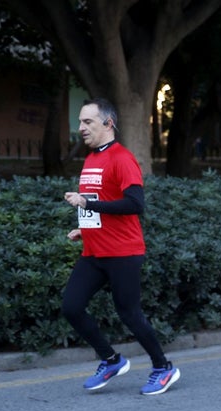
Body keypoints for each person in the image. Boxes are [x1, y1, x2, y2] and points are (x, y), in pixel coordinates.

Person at [61, 98, 180, 395]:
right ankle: (111, 360)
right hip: (95, 252)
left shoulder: (122, 159)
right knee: (71, 307)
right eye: (80, 122)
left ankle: (163, 367)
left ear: (108, 123)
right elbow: (103, 204)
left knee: (129, 313)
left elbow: (134, 204)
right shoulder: (91, 159)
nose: (81, 128)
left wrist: (87, 202)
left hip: (124, 252)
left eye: (88, 122)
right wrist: (84, 228)